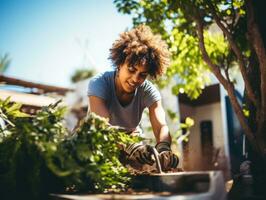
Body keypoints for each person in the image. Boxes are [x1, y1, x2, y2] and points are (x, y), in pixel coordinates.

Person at [87, 24, 178, 171]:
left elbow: (161, 126)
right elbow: (101, 125)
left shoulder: (148, 91)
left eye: (142, 74)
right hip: (100, 144)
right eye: (131, 69)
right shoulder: (99, 83)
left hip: (132, 144)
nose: (136, 78)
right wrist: (130, 145)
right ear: (119, 64)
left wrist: (163, 147)